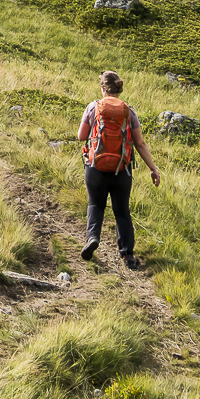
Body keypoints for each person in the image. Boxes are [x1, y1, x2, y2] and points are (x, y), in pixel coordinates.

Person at [77, 69, 160, 269]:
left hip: (95, 166)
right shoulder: (129, 112)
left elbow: (81, 136)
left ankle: (92, 239)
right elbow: (140, 143)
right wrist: (152, 168)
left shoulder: (92, 107)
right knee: (122, 211)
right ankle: (128, 255)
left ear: (102, 88)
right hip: (122, 169)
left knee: (96, 205)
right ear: (119, 89)